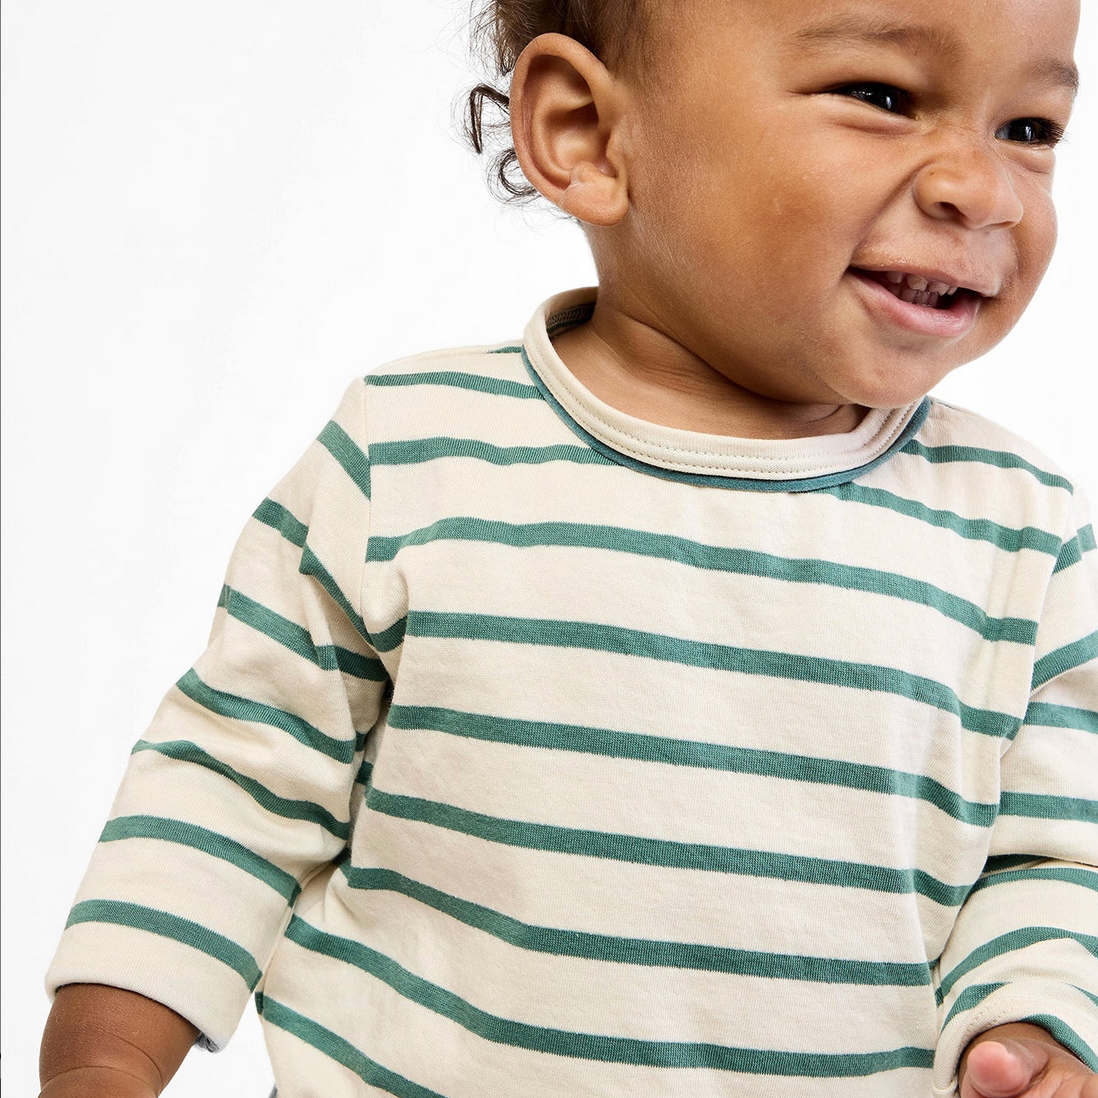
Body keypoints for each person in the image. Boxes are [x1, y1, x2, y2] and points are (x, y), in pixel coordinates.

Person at [39, 1, 1098, 1095]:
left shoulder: (1021, 537)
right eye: (882, 97)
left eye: (1030, 128)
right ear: (589, 134)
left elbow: (1055, 861)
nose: (982, 189)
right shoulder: (413, 458)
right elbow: (227, 790)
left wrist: (1033, 1025)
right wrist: (106, 1062)